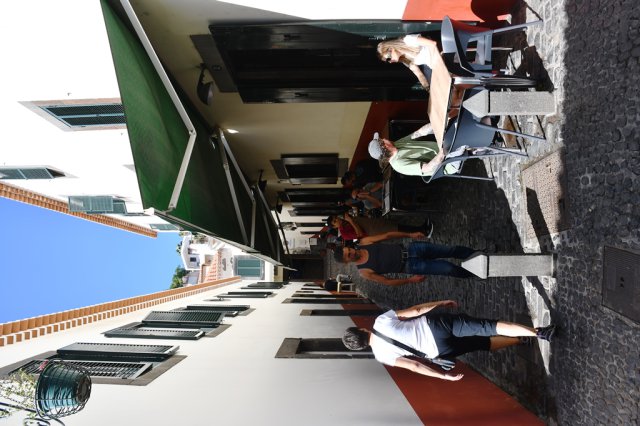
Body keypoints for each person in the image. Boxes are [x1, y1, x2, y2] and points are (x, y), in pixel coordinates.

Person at [342, 300, 556, 381]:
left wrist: (443, 376)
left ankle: (519, 340)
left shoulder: (381, 356)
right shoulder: (380, 321)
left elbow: (415, 366)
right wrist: (440, 303)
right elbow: (415, 311)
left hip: (438, 350)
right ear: (360, 329)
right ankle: (538, 333)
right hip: (436, 326)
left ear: (362, 346)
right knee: (485, 327)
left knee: (481, 344)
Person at [333, 231, 477, 285]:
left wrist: (410, 234)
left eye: (349, 250)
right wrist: (410, 280)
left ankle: (475, 254)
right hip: (410, 266)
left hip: (412, 248)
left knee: (450, 250)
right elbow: (387, 281)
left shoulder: (364, 242)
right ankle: (473, 273)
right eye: (349, 255)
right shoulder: (364, 272)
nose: (352, 252)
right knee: (448, 268)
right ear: (347, 262)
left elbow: (387, 235)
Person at [326, 213, 433, 241]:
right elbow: (359, 234)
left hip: (375, 223)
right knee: (399, 230)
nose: (337, 220)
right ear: (334, 227)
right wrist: (351, 221)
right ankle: (423, 232)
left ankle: (421, 228)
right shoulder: (344, 233)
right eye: (335, 222)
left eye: (336, 218)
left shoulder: (345, 221)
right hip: (374, 230)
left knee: (398, 226)